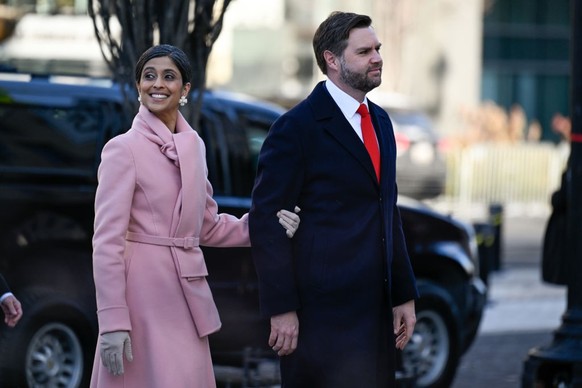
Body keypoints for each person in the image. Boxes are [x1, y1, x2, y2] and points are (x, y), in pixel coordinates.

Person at [90, 44, 300, 388]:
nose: (157, 84)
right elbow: (106, 242)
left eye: (169, 76)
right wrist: (113, 320)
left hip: (186, 296)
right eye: (149, 76)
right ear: (139, 85)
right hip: (140, 296)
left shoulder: (193, 146)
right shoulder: (122, 149)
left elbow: (208, 226)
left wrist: (268, 226)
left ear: (185, 89)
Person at [249, 11, 418, 387]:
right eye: (364, 51)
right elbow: (266, 224)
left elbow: (387, 212)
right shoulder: (295, 128)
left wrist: (404, 295)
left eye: (377, 48)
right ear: (331, 59)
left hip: (375, 315)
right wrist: (282, 309)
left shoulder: (382, 122)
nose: (377, 57)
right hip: (320, 319)